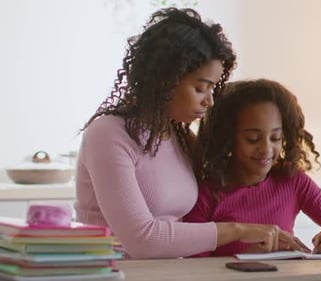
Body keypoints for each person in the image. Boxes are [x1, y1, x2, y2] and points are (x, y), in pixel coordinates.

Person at [74, 8, 306, 259]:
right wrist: (237, 231)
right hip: (112, 272)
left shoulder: (183, 140)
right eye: (200, 88)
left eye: (212, 88)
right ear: (167, 80)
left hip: (173, 273)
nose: (210, 101)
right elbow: (142, 241)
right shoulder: (108, 134)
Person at [185, 79, 321, 256]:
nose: (266, 149)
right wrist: (245, 257)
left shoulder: (293, 181)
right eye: (253, 139)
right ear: (227, 139)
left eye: (275, 138)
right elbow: (194, 267)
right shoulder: (206, 194)